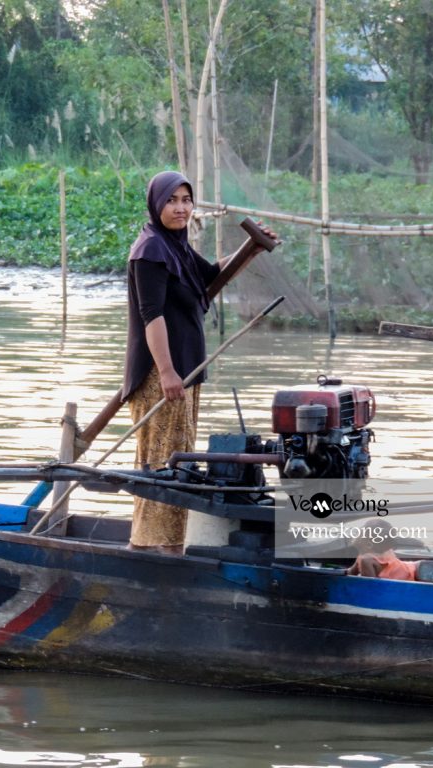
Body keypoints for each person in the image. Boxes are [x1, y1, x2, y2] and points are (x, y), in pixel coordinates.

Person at [120, 170, 274, 554]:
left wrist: (251, 249)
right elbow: (151, 315)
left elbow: (210, 275)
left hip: (186, 373)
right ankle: (151, 550)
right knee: (162, 466)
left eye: (186, 200)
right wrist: (168, 372)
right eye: (172, 201)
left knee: (180, 463)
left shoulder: (176, 247)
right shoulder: (150, 250)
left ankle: (168, 547)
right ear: (156, 204)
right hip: (162, 375)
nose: (180, 208)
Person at [345, 520, 420, 581]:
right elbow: (351, 572)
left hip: (411, 573)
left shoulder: (366, 560)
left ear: (368, 544)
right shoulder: (378, 551)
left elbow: (370, 587)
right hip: (411, 568)